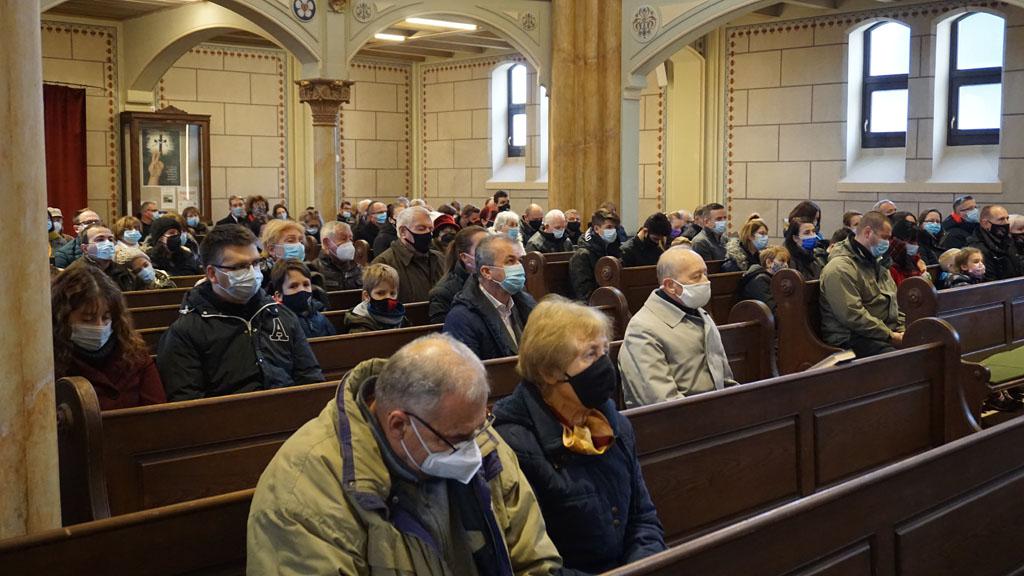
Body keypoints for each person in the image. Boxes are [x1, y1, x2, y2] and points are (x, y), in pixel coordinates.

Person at [247, 333, 570, 575]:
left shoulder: (474, 435)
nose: (473, 449)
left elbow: (534, 560)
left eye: (480, 426)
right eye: (457, 439)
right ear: (399, 425)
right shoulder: (303, 492)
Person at [492, 298, 666, 572]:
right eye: (590, 354)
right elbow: (533, 563)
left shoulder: (614, 425)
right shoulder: (514, 445)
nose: (604, 364)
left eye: (604, 350)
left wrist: (641, 567)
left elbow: (643, 518)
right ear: (549, 372)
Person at [156, 225, 324, 400]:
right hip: (230, 415)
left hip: (290, 412)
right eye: (240, 266)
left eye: (255, 263)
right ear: (212, 274)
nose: (252, 273)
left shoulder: (280, 314)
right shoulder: (185, 332)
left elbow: (310, 377)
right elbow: (188, 402)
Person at [619, 247, 735, 407]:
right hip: (682, 417)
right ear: (670, 285)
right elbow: (661, 402)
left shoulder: (700, 314)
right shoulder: (643, 330)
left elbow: (725, 380)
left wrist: (738, 405)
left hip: (717, 411)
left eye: (705, 274)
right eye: (696, 277)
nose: (706, 281)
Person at [51, 265, 165, 410]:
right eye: (87, 319)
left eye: (106, 318)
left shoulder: (134, 353)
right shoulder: (51, 363)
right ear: (62, 319)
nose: (99, 326)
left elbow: (158, 412)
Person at [820, 211, 905, 357]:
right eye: (884, 237)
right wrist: (890, 335)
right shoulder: (840, 268)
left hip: (880, 333)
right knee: (900, 359)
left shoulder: (877, 264)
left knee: (924, 346)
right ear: (867, 232)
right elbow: (852, 315)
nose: (888, 243)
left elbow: (895, 302)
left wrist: (903, 329)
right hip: (850, 337)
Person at [443, 234, 537, 361]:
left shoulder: (526, 302)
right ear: (487, 272)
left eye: (519, 260)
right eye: (510, 261)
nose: (519, 267)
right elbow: (465, 370)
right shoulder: (461, 318)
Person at [371, 206, 444, 303]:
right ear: (403, 232)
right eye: (421, 229)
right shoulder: (384, 264)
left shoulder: (440, 258)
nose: (428, 233)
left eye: (430, 229)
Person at [429, 226, 488, 324]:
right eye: (484, 249)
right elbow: (445, 330)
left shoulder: (496, 280)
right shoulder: (443, 293)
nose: (491, 254)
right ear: (465, 257)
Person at [66, 223, 144, 292]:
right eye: (100, 240)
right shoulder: (74, 274)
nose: (108, 243)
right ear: (85, 248)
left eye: (110, 239)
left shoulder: (123, 272)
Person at [269, 260, 336, 338]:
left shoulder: (320, 318)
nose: (302, 290)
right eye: (293, 286)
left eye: (306, 284)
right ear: (279, 296)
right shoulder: (276, 325)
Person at [569, 209, 622, 301]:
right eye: (609, 227)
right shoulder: (582, 255)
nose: (613, 231)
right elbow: (584, 293)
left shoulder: (615, 248)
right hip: (593, 303)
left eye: (615, 228)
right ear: (597, 229)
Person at [343, 263, 408, 333]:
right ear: (367, 296)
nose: (388, 297)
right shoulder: (359, 326)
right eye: (380, 293)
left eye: (392, 293)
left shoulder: (401, 317)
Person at [966, 205, 1023, 281]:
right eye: (1001, 219)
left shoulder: (1009, 241)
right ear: (985, 223)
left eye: (1007, 218)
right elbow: (989, 281)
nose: (1006, 222)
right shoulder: (977, 249)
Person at [312, 220, 363, 291]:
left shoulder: (358, 268)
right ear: (327, 243)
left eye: (350, 239)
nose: (349, 243)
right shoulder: (314, 270)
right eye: (343, 239)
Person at [739, 245, 788, 313]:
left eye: (787, 262)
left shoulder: (775, 278)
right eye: (782, 261)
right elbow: (773, 309)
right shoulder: (759, 281)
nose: (786, 265)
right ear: (769, 262)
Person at [888, 219, 929, 287]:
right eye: (911, 242)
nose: (915, 245)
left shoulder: (916, 262)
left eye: (916, 242)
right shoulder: (890, 267)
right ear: (897, 239)